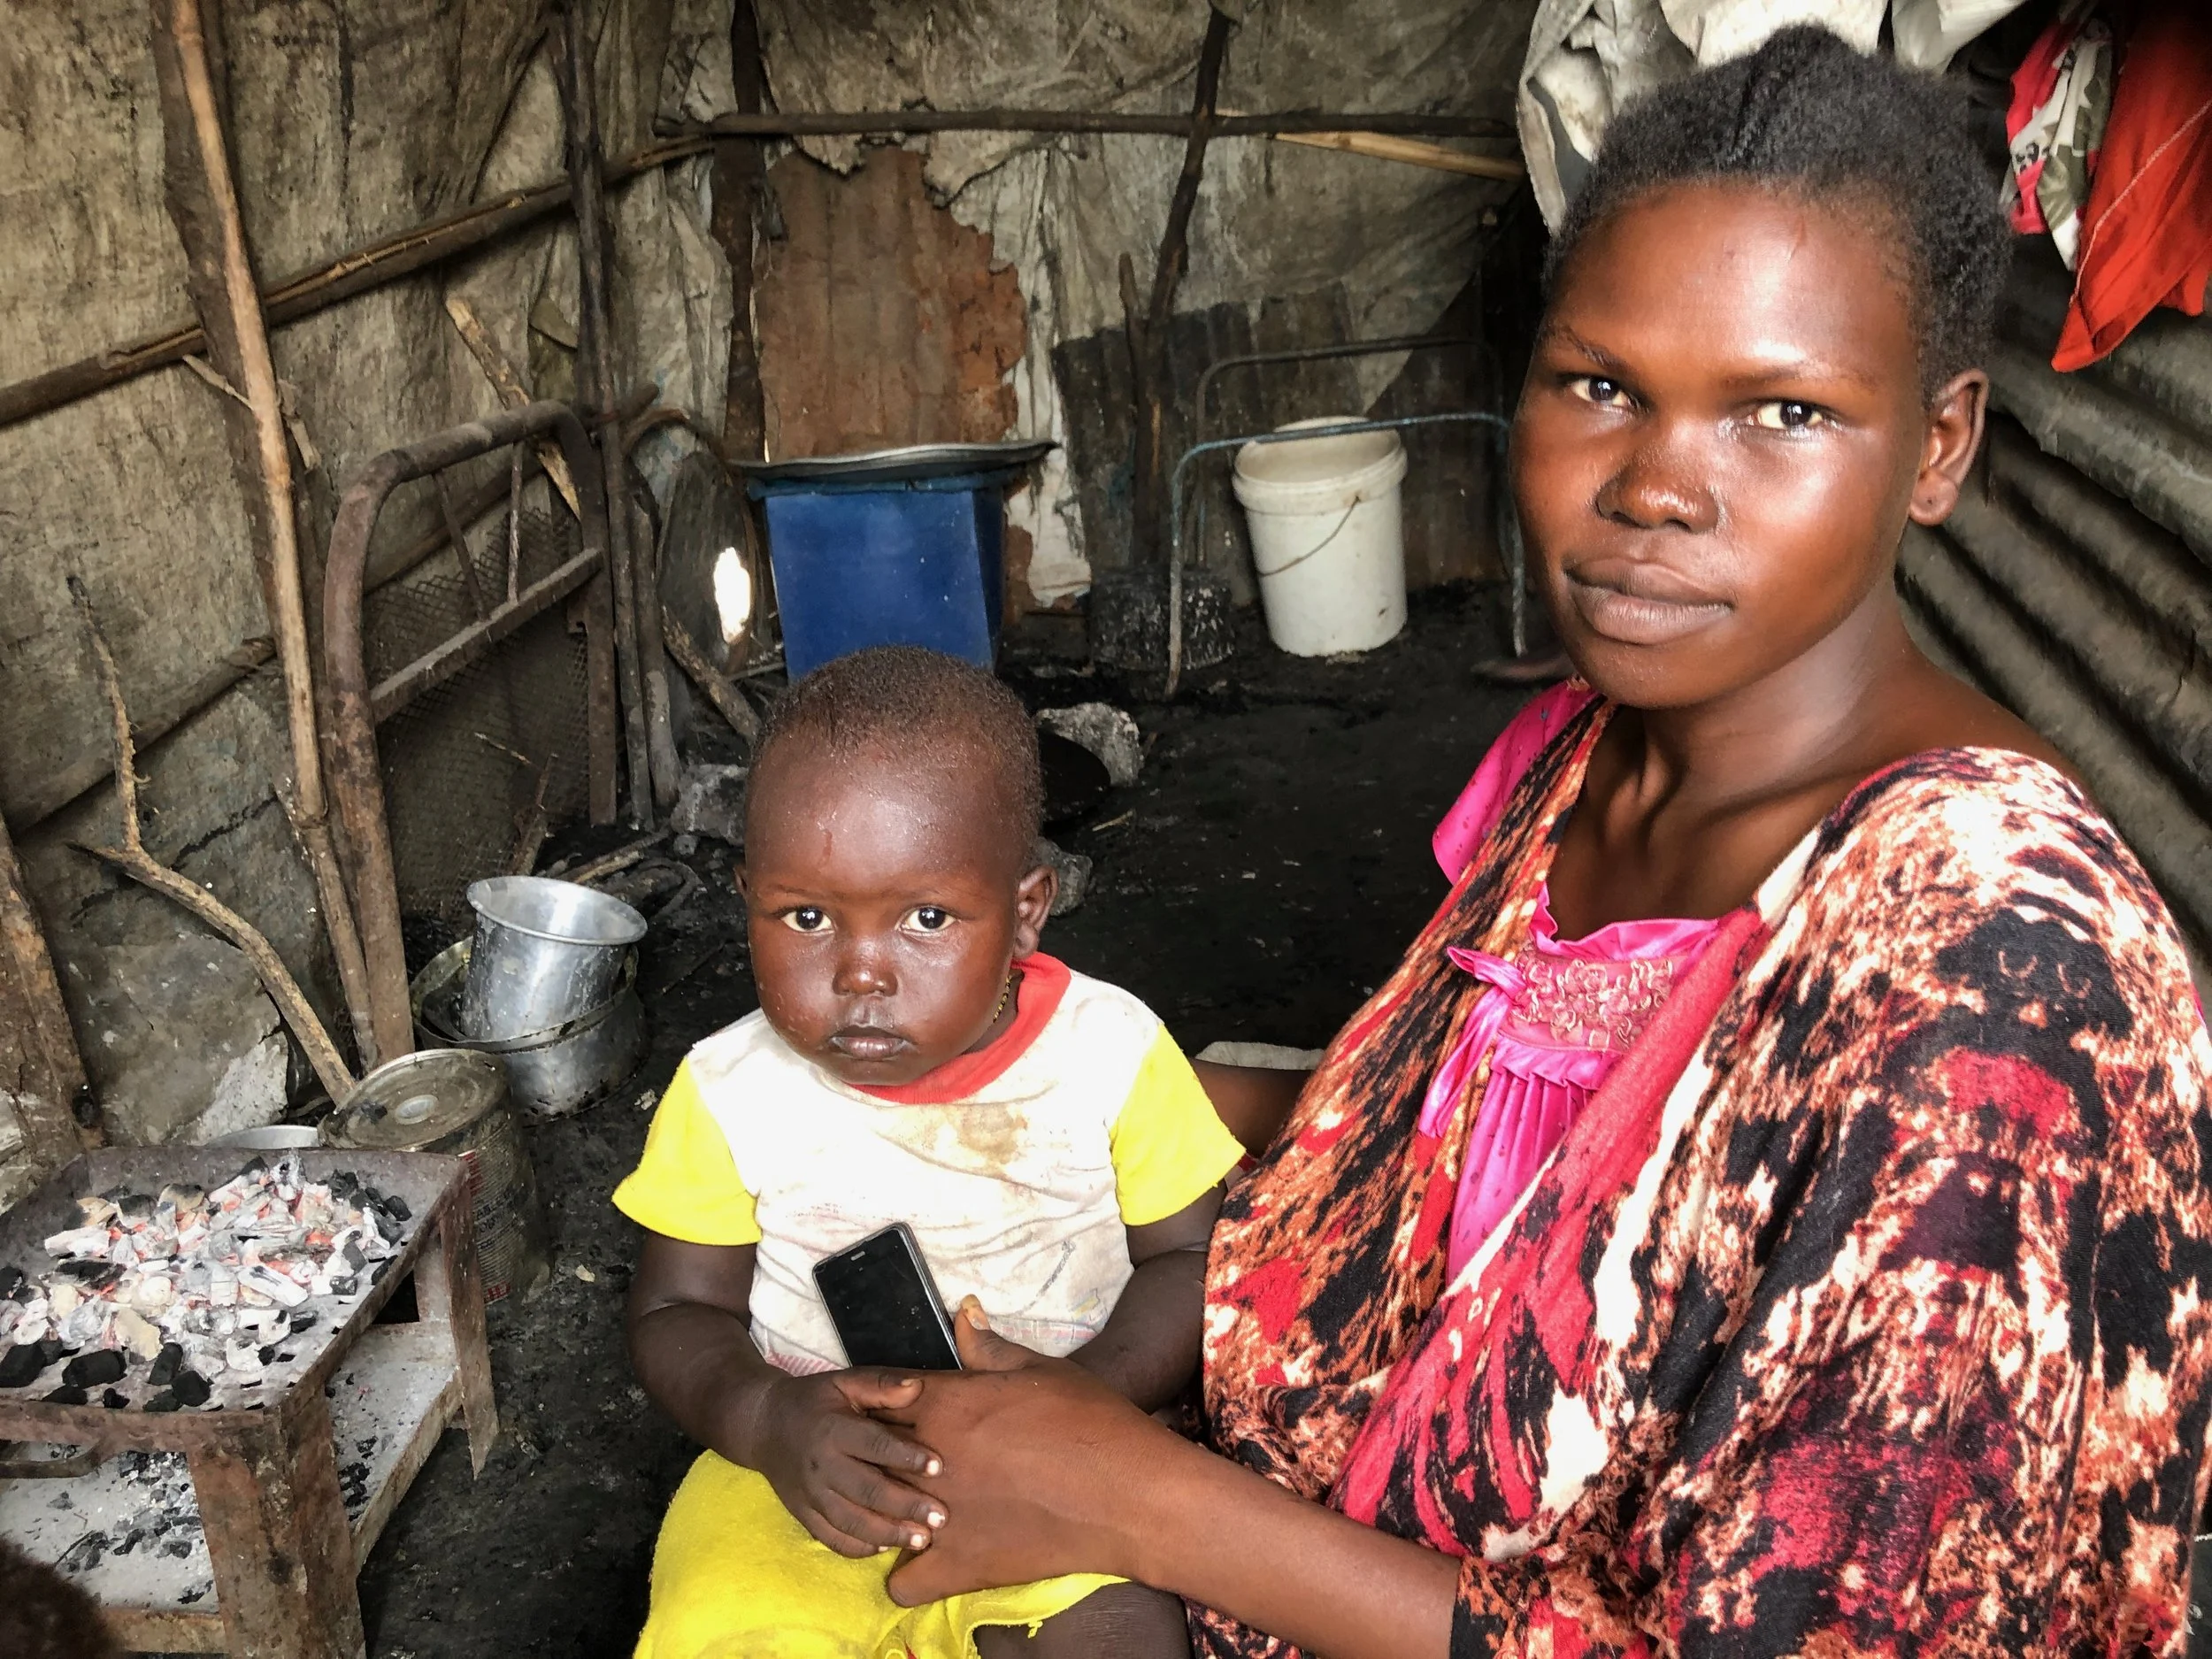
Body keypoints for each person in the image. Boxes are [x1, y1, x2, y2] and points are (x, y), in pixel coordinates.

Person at [867, 28, 2212, 1658]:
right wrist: (1106, 1102)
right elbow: (1480, 1143)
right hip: (1314, 1536)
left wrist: (1130, 1498)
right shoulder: (1594, 761)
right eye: (1600, 387)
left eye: (1780, 412)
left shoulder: (1999, 975)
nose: (1655, 486)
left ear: (1934, 450)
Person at [617, 645, 1245, 1658]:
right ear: (748, 897)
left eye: (926, 918)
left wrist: (1091, 1395)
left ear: (1027, 910)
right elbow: (676, 1311)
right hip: (792, 1476)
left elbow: (1188, 1259)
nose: (862, 972)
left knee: (1122, 1635)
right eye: (806, 916)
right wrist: (770, 1418)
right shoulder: (728, 1090)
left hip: (1058, 1459)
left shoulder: (1111, 1052)